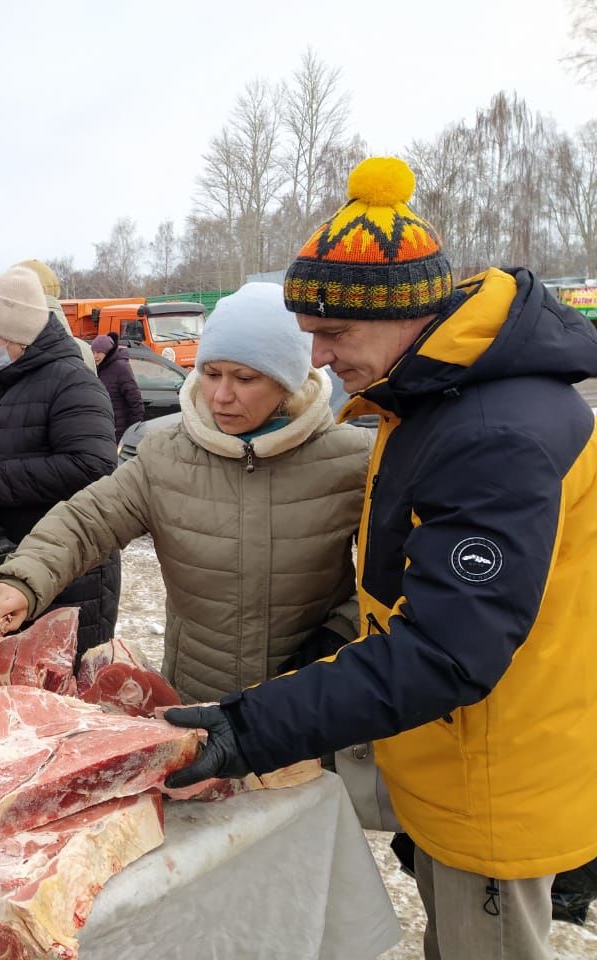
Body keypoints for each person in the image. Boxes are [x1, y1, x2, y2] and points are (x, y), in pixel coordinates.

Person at [160, 157, 597, 960]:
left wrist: (247, 729)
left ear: (408, 312)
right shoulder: (438, 392)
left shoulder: (493, 428)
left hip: (493, 775)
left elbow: (446, 649)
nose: (318, 358)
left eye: (333, 332)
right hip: (455, 752)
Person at [0, 283, 370, 701]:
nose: (221, 395)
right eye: (211, 373)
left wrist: (339, 634)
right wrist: (24, 578)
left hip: (309, 701)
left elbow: (401, 575)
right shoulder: (167, 455)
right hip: (197, 700)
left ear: (288, 382)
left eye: (245, 378)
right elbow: (86, 521)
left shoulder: (351, 461)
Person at [0, 265, 119, 654]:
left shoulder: (73, 383)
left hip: (64, 578)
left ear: (21, 336)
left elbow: (94, 466)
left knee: (49, 698)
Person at [89, 334, 145, 444]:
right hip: (105, 429)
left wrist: (133, 430)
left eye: (99, 352)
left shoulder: (120, 367)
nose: (95, 356)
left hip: (119, 431)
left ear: (107, 351)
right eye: (93, 352)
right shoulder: (98, 368)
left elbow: (135, 401)